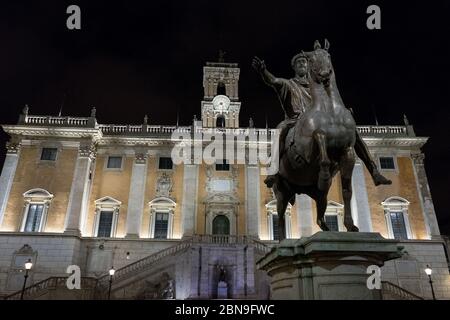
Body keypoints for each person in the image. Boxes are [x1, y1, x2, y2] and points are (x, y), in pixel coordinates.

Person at [252, 53, 391, 188]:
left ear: (309, 66)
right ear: (294, 67)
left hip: (319, 120)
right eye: (298, 62)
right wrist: (263, 71)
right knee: (280, 129)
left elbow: (331, 103)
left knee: (352, 132)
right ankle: (273, 170)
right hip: (295, 121)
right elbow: (273, 81)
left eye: (304, 62)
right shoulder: (288, 84)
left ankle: (374, 171)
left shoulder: (318, 88)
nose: (302, 63)